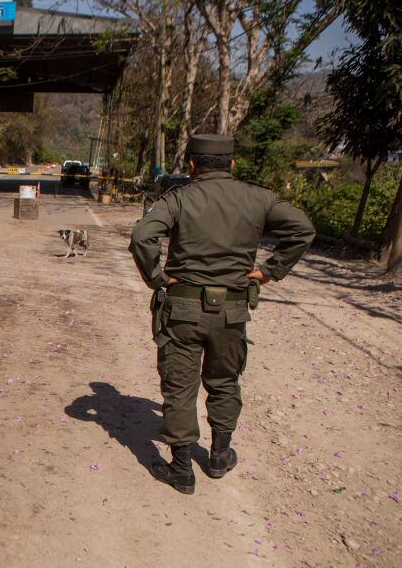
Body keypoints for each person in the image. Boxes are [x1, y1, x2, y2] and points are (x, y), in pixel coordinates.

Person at [128, 134, 315, 494]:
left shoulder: (179, 198)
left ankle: (181, 469)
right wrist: (269, 270)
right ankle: (219, 455)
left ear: (192, 166)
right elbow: (302, 230)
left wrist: (158, 277)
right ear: (232, 164)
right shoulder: (258, 197)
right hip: (232, 310)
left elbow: (142, 236)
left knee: (181, 386)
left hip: (182, 308)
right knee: (224, 381)